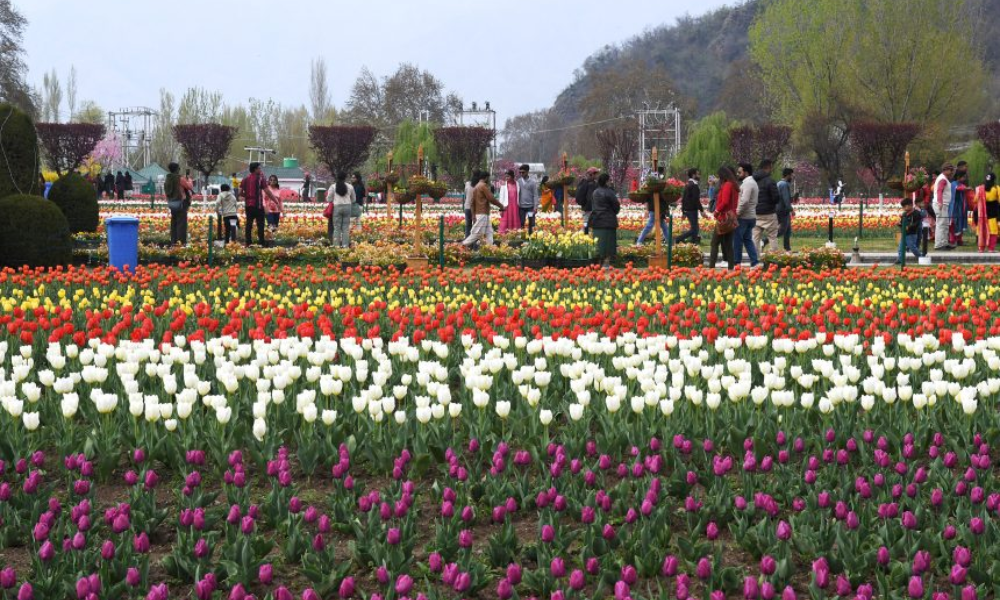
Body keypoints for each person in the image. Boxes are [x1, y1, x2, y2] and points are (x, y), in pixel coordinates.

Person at [462, 172, 504, 248]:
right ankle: (462, 245)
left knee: (489, 232)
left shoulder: (476, 187)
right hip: (482, 213)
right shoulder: (483, 186)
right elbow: (491, 198)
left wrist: (474, 214)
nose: (489, 180)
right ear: (486, 178)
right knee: (477, 233)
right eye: (489, 178)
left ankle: (489, 248)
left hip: (482, 213)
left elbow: (472, 203)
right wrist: (501, 206)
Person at [709, 166, 739, 269]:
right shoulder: (734, 185)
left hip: (723, 218)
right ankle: (731, 267)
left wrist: (717, 211)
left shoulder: (727, 185)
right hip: (731, 217)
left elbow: (725, 201)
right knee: (728, 244)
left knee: (714, 243)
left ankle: (711, 267)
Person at [240, 162, 276, 247]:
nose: (260, 170)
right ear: (255, 169)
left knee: (249, 224)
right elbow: (267, 191)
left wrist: (248, 196)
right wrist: (275, 200)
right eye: (259, 168)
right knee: (260, 224)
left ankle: (248, 242)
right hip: (258, 205)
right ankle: (261, 242)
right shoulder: (260, 179)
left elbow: (240, 193)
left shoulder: (245, 179)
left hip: (248, 206)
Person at [590, 173, 621, 268]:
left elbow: (593, 206)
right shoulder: (609, 192)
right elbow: (616, 206)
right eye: (609, 180)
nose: (610, 182)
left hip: (597, 220)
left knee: (598, 243)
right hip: (608, 220)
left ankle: (598, 261)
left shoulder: (595, 192)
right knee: (608, 243)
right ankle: (606, 263)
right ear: (606, 181)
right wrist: (612, 213)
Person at [733, 162, 759, 267]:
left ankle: (737, 262)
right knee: (747, 240)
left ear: (746, 172)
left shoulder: (748, 183)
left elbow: (744, 201)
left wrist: (737, 213)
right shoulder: (752, 182)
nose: (738, 174)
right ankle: (754, 261)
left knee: (737, 240)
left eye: (740, 172)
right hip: (750, 216)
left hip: (744, 217)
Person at [752, 159, 780, 254]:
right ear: (768, 167)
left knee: (755, 237)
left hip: (755, 213)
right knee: (772, 236)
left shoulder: (752, 180)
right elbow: (776, 198)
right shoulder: (770, 181)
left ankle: (754, 259)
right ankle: (772, 259)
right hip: (769, 213)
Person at [675, 168, 707, 245]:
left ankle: (694, 243)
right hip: (691, 210)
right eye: (698, 174)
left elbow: (684, 199)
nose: (699, 176)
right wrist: (702, 211)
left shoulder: (688, 184)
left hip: (688, 210)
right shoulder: (694, 186)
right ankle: (678, 239)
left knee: (695, 228)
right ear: (693, 175)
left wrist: (683, 211)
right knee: (694, 229)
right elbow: (696, 200)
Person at [329, 172, 356, 248]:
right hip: (347, 207)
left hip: (337, 207)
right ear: (345, 178)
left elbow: (329, 198)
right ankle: (345, 246)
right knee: (346, 227)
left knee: (337, 227)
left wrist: (334, 199)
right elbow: (354, 199)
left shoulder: (333, 186)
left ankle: (336, 246)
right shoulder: (350, 186)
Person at [933, 163, 955, 251]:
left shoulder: (944, 178)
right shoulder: (943, 179)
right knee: (941, 224)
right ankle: (939, 244)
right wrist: (940, 202)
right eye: (950, 170)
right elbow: (939, 191)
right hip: (941, 205)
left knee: (945, 224)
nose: (952, 172)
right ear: (945, 170)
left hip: (944, 204)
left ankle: (944, 243)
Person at [164, 162, 188, 245]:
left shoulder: (168, 178)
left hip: (171, 203)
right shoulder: (179, 178)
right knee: (181, 223)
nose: (179, 170)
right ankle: (180, 242)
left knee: (173, 222)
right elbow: (189, 186)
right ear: (176, 169)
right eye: (178, 168)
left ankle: (173, 241)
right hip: (180, 202)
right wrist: (189, 179)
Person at [978, 173, 1000, 253]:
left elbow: (975, 200)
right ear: (994, 179)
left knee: (982, 230)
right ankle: (991, 249)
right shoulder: (996, 188)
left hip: (982, 213)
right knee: (993, 231)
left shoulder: (980, 188)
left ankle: (981, 248)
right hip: (993, 213)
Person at [895, 198, 922, 264]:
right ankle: (900, 260)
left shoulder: (916, 213)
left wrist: (909, 227)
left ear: (910, 205)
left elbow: (917, 223)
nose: (903, 208)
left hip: (911, 234)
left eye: (905, 206)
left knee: (912, 247)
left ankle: (921, 257)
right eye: (903, 207)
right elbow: (902, 223)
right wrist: (899, 224)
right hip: (904, 233)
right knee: (900, 248)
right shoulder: (904, 214)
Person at [776, 167, 795, 251]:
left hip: (780, 209)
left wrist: (794, 197)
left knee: (788, 230)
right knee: (782, 230)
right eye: (791, 175)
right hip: (783, 210)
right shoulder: (784, 184)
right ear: (788, 175)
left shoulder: (779, 183)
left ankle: (787, 248)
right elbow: (786, 199)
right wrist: (791, 209)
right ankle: (764, 241)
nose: (792, 177)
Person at [516, 164, 539, 235]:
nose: (521, 174)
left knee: (531, 223)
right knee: (521, 223)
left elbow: (535, 195)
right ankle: (522, 237)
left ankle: (531, 237)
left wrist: (535, 207)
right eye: (520, 172)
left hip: (530, 207)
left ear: (527, 172)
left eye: (523, 172)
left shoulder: (533, 182)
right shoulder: (518, 182)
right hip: (521, 207)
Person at [576, 167, 599, 234]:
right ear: (591, 174)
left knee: (592, 221)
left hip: (593, 206)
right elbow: (581, 195)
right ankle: (586, 232)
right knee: (586, 221)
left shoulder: (595, 183)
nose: (597, 176)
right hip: (587, 207)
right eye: (595, 174)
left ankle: (592, 233)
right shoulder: (584, 183)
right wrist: (585, 204)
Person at [498, 169, 521, 234]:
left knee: (514, 222)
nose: (506, 178)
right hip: (506, 207)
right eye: (506, 176)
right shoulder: (503, 185)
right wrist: (501, 209)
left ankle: (514, 234)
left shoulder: (517, 184)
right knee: (505, 223)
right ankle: (504, 236)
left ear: (512, 176)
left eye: (508, 176)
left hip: (515, 206)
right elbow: (501, 198)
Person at [950, 171, 970, 247]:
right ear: (958, 177)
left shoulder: (962, 185)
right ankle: (952, 240)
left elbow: (962, 188)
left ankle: (959, 240)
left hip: (961, 207)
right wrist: (965, 189)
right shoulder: (953, 184)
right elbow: (957, 189)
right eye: (963, 177)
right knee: (954, 222)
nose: (964, 178)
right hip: (955, 207)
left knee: (961, 222)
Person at [463, 171, 477, 238]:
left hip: (467, 207)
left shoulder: (467, 184)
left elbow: (465, 196)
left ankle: (467, 244)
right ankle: (475, 245)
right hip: (475, 209)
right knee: (475, 227)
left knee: (468, 226)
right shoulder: (479, 185)